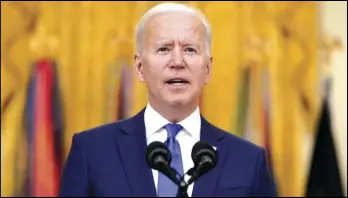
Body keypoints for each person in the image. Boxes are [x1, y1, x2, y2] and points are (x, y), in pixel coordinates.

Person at [59, 3, 277, 197]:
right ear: (140, 67)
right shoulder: (92, 152)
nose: (177, 61)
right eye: (164, 49)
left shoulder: (248, 160)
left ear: (208, 69)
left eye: (190, 49)